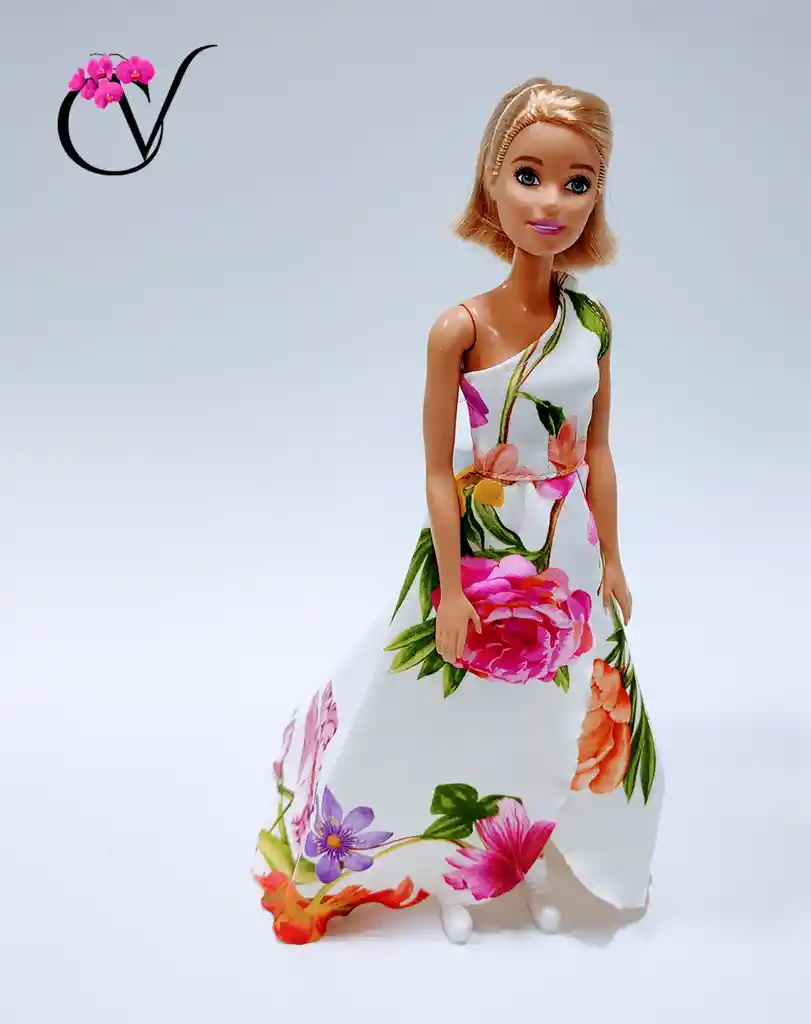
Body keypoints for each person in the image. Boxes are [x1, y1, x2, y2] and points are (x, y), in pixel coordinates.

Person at [252, 76, 664, 946]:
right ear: (492, 181)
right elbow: (439, 469)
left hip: (566, 553)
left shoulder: (592, 324)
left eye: (578, 182)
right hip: (481, 544)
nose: (551, 202)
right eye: (529, 175)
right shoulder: (459, 329)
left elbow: (597, 451)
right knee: (452, 705)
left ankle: (532, 851)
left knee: (554, 707)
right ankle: (453, 865)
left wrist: (613, 560)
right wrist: (449, 582)